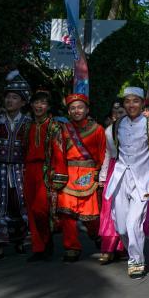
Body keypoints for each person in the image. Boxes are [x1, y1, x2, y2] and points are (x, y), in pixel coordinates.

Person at [101, 87, 149, 279]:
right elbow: (112, 153)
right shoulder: (114, 128)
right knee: (121, 227)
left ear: (142, 104)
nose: (131, 105)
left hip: (144, 182)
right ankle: (132, 251)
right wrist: (103, 176)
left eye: (135, 101)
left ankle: (136, 261)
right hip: (121, 180)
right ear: (123, 104)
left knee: (134, 222)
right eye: (127, 101)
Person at [0, 71, 32, 261]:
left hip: (20, 171)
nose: (10, 101)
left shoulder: (29, 124)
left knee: (19, 204)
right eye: (8, 97)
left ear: (22, 102)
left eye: (15, 98)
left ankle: (19, 241)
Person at [56, 93, 106, 262]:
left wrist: (101, 174)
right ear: (68, 112)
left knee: (90, 215)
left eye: (80, 107)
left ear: (87, 110)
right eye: (72, 108)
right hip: (68, 174)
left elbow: (102, 153)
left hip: (89, 175)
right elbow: (58, 154)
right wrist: (57, 176)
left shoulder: (98, 129)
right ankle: (71, 247)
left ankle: (96, 234)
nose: (76, 111)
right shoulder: (62, 129)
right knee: (67, 214)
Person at [24, 90, 67, 262]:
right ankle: (38, 248)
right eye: (36, 102)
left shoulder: (55, 126)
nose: (38, 106)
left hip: (46, 171)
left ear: (48, 107)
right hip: (29, 170)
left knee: (40, 209)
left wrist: (59, 175)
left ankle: (47, 239)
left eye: (42, 103)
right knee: (31, 211)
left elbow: (59, 152)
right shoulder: (28, 125)